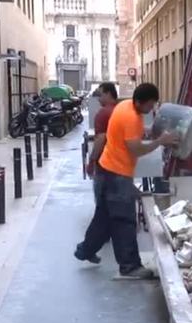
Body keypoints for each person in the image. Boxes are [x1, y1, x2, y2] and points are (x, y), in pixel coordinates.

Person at [74, 83, 179, 278]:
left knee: (104, 217)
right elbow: (136, 149)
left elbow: (131, 133)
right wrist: (159, 142)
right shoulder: (131, 117)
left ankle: (85, 250)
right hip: (116, 174)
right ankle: (129, 266)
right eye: (150, 105)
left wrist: (150, 132)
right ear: (140, 102)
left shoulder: (125, 106)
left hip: (107, 169)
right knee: (124, 220)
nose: (151, 109)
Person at [86, 82, 118, 178]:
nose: (98, 98)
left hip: (106, 162)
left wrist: (92, 161)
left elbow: (101, 138)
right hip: (122, 162)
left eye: (100, 95)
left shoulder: (103, 113)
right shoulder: (121, 110)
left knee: (103, 191)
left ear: (108, 94)